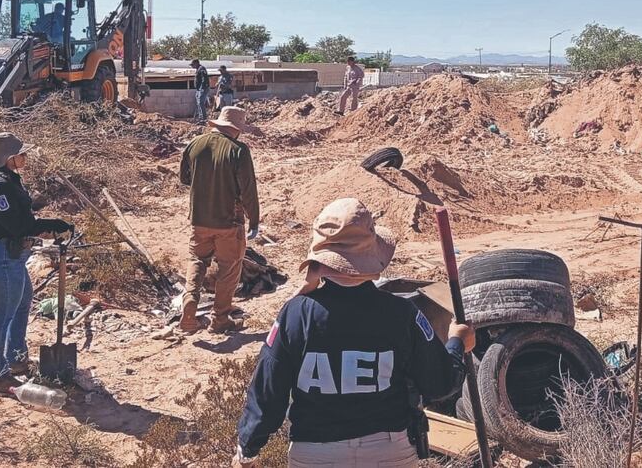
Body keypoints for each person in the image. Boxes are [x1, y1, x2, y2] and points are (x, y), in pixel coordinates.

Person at [234, 198, 475, 467]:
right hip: (388, 450)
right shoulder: (401, 314)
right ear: (372, 259)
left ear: (318, 261)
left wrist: (248, 447)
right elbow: (439, 383)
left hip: (316, 453)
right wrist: (457, 343)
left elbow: (269, 388)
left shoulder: (296, 314)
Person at [0, 132, 73, 394]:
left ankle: (15, 359)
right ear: (9, 158)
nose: (25, 156)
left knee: (22, 302)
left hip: (8, 254)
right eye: (21, 153)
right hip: (2, 255)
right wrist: (48, 225)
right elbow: (17, 225)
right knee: (3, 316)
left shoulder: (6, 181)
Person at [178, 106, 260, 334]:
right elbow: (248, 190)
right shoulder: (239, 150)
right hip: (229, 222)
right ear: (237, 129)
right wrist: (254, 220)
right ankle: (220, 318)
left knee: (197, 260)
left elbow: (185, 178)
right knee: (229, 268)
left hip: (199, 219)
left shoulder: (195, 144)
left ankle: (190, 304)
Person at [192, 59, 210, 123]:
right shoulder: (198, 69)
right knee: (198, 103)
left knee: (201, 103)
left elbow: (204, 79)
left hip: (202, 89)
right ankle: (200, 117)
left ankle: (204, 118)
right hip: (198, 89)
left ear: (196, 63)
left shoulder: (201, 69)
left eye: (193, 65)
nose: (192, 66)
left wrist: (202, 88)